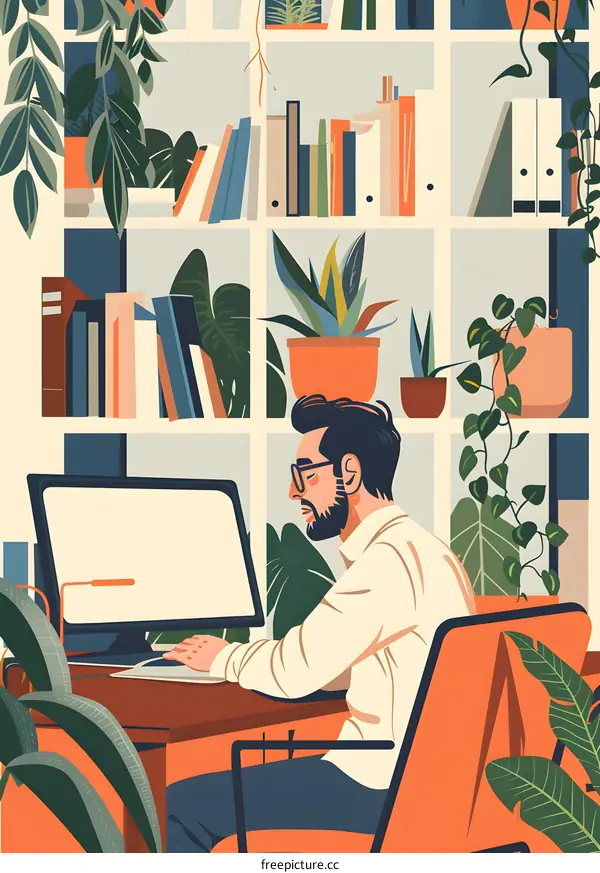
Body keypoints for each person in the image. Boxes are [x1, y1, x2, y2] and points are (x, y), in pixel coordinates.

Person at [165, 395, 475, 852]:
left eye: (305, 474)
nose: (294, 492)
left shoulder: (385, 562)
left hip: (377, 784)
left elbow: (294, 671)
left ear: (348, 472)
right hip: (428, 784)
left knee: (179, 805)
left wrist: (222, 656)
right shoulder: (427, 550)